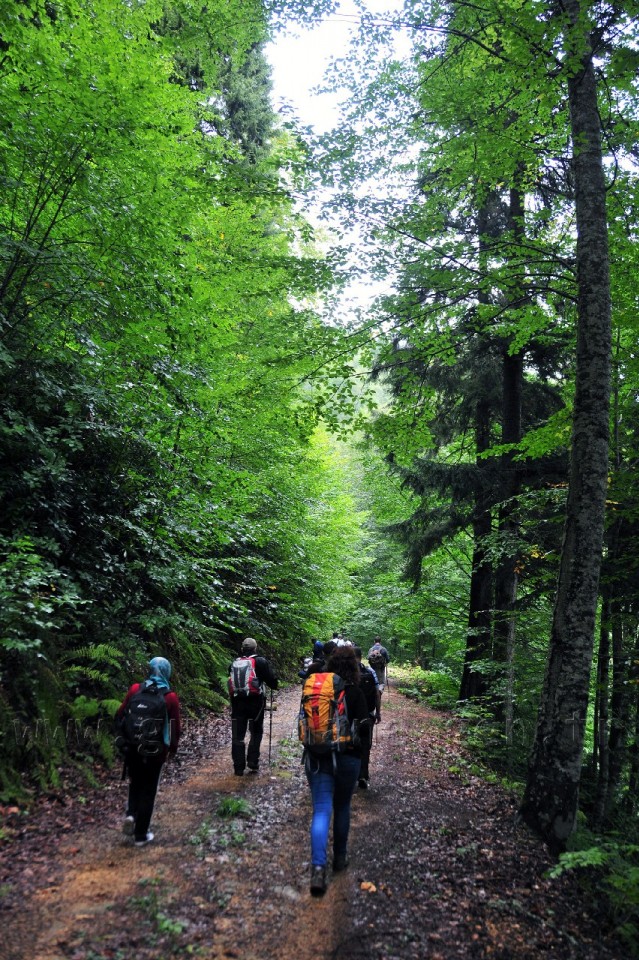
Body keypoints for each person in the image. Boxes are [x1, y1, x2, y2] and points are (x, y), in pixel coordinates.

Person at [303, 644, 370, 896]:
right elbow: (364, 727)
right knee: (342, 807)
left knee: (321, 810)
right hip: (348, 758)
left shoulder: (318, 689)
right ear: (353, 666)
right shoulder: (356, 692)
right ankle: (339, 858)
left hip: (318, 755)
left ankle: (318, 870)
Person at [115, 655, 181, 847]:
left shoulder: (136, 689)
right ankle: (141, 835)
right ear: (167, 671)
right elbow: (175, 728)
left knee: (135, 783)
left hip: (133, 747)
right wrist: (173, 750)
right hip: (156, 751)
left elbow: (120, 714)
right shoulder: (170, 697)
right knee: (149, 790)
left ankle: (130, 815)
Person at [228, 637, 278, 776]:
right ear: (255, 648)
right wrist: (274, 683)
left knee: (238, 735)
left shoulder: (235, 662)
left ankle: (238, 767)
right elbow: (272, 682)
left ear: (242, 648)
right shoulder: (260, 661)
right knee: (256, 731)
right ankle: (252, 761)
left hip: (238, 703)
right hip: (256, 702)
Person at [354, 645, 381, 789]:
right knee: (365, 745)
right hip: (368, 714)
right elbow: (377, 693)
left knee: (349, 743)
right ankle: (363, 775)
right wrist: (378, 712)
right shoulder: (370, 672)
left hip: (350, 715)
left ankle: (349, 774)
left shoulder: (346, 673)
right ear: (361, 655)